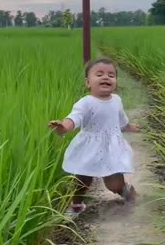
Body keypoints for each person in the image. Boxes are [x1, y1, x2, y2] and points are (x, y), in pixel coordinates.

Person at [48, 58, 139, 217]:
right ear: (88, 82)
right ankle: (77, 205)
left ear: (116, 81)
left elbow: (121, 119)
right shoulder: (86, 103)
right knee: (81, 180)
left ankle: (128, 192)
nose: (106, 77)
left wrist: (129, 127)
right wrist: (64, 127)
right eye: (100, 74)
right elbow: (75, 118)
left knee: (114, 184)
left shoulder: (117, 100)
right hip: (89, 148)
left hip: (111, 149)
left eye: (111, 75)